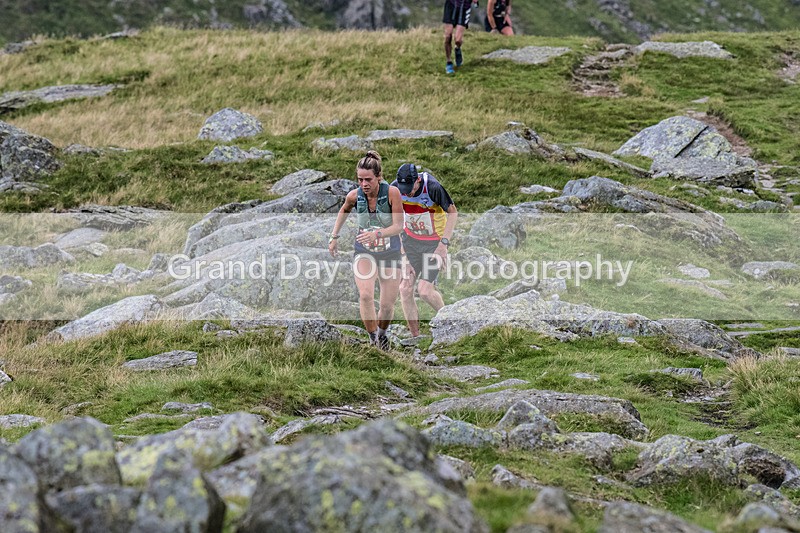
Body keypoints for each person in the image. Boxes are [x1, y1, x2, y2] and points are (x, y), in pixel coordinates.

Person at [329, 151, 405, 350]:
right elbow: (344, 210)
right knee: (365, 295)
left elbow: (399, 226)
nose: (364, 184)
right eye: (360, 179)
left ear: (378, 177)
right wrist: (334, 237)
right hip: (364, 251)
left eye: (368, 179)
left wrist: (377, 234)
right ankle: (373, 341)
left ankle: (382, 335)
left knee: (387, 305)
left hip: (390, 252)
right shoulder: (354, 196)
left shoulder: (392, 193)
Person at [391, 163, 458, 338]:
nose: (407, 194)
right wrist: (403, 256)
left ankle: (452, 323)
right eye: (403, 190)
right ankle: (415, 337)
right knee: (405, 288)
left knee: (425, 291)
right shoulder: (394, 189)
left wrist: (443, 245)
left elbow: (453, 212)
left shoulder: (433, 188)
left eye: (410, 189)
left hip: (433, 244)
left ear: (418, 181)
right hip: (410, 242)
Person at [443, 0, 474, 74]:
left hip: (464, 7)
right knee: (448, 36)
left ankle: (457, 49)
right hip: (451, 5)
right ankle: (449, 62)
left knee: (458, 40)